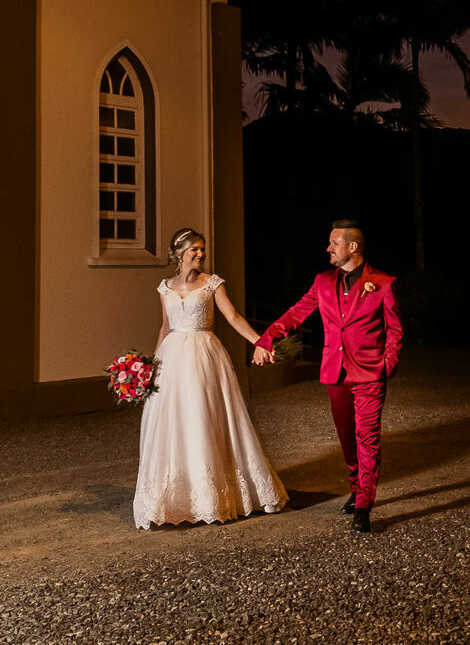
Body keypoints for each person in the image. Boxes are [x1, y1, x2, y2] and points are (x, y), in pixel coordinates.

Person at [252, 219, 402, 534]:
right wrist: (266, 339)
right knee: (346, 437)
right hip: (335, 372)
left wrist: (387, 364)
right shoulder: (322, 281)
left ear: (353, 247)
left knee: (367, 437)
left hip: (370, 374)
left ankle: (364, 503)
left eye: (334, 243)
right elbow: (296, 313)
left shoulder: (383, 283)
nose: (328, 248)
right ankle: (355, 484)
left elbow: (395, 330)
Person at [132, 226, 287, 529]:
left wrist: (259, 341)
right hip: (172, 357)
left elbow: (232, 317)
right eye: (195, 250)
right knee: (172, 423)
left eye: (202, 249)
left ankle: (214, 493)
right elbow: (165, 327)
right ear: (180, 254)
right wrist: (150, 365)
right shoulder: (164, 288)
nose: (201, 255)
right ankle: (176, 496)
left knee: (205, 418)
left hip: (204, 355)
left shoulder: (212, 284)